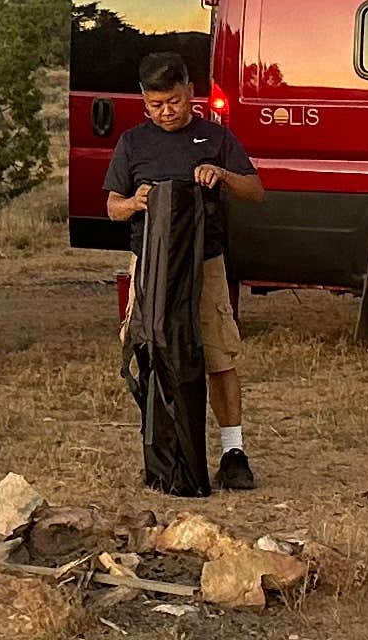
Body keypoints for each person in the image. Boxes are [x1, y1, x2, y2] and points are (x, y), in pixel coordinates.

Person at [105, 50, 269, 491]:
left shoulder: (214, 138)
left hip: (205, 264)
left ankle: (233, 451)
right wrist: (135, 203)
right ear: (143, 100)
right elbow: (111, 207)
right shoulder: (133, 143)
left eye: (173, 102)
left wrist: (222, 174)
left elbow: (255, 191)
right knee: (151, 351)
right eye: (155, 105)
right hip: (152, 266)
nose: (166, 112)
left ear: (190, 93)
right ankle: (165, 447)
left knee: (216, 353)